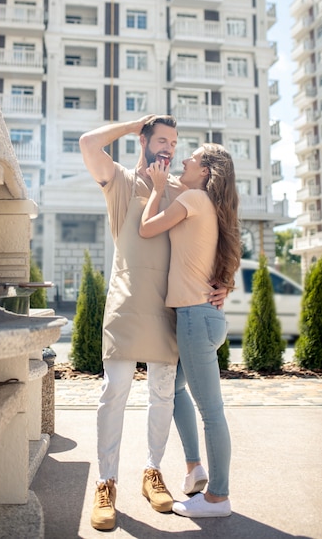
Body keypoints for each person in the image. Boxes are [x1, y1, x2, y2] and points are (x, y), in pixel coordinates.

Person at [79, 115, 227, 530]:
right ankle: (105, 482)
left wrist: (224, 280)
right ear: (144, 140)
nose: (169, 147)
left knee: (162, 395)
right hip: (127, 304)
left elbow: (218, 233)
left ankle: (152, 472)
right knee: (115, 393)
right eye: (161, 139)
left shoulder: (183, 190)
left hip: (169, 310)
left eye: (174, 142)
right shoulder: (122, 181)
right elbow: (89, 143)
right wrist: (132, 125)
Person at [139, 143, 241, 518]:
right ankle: (194, 467)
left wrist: (154, 191)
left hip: (196, 319)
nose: (184, 159)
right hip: (201, 318)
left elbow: (147, 229)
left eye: (192, 158)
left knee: (212, 412)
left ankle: (218, 497)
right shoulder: (205, 201)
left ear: (205, 171)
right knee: (178, 389)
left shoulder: (196, 199)